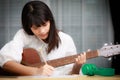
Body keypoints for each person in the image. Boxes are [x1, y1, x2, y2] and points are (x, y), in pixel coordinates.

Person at [0, 0, 86, 76]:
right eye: (35, 28)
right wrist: (36, 71)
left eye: (44, 24)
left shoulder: (66, 40)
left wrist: (77, 66)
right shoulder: (23, 35)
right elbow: (6, 62)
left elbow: (73, 75)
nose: (42, 31)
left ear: (50, 21)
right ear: (28, 27)